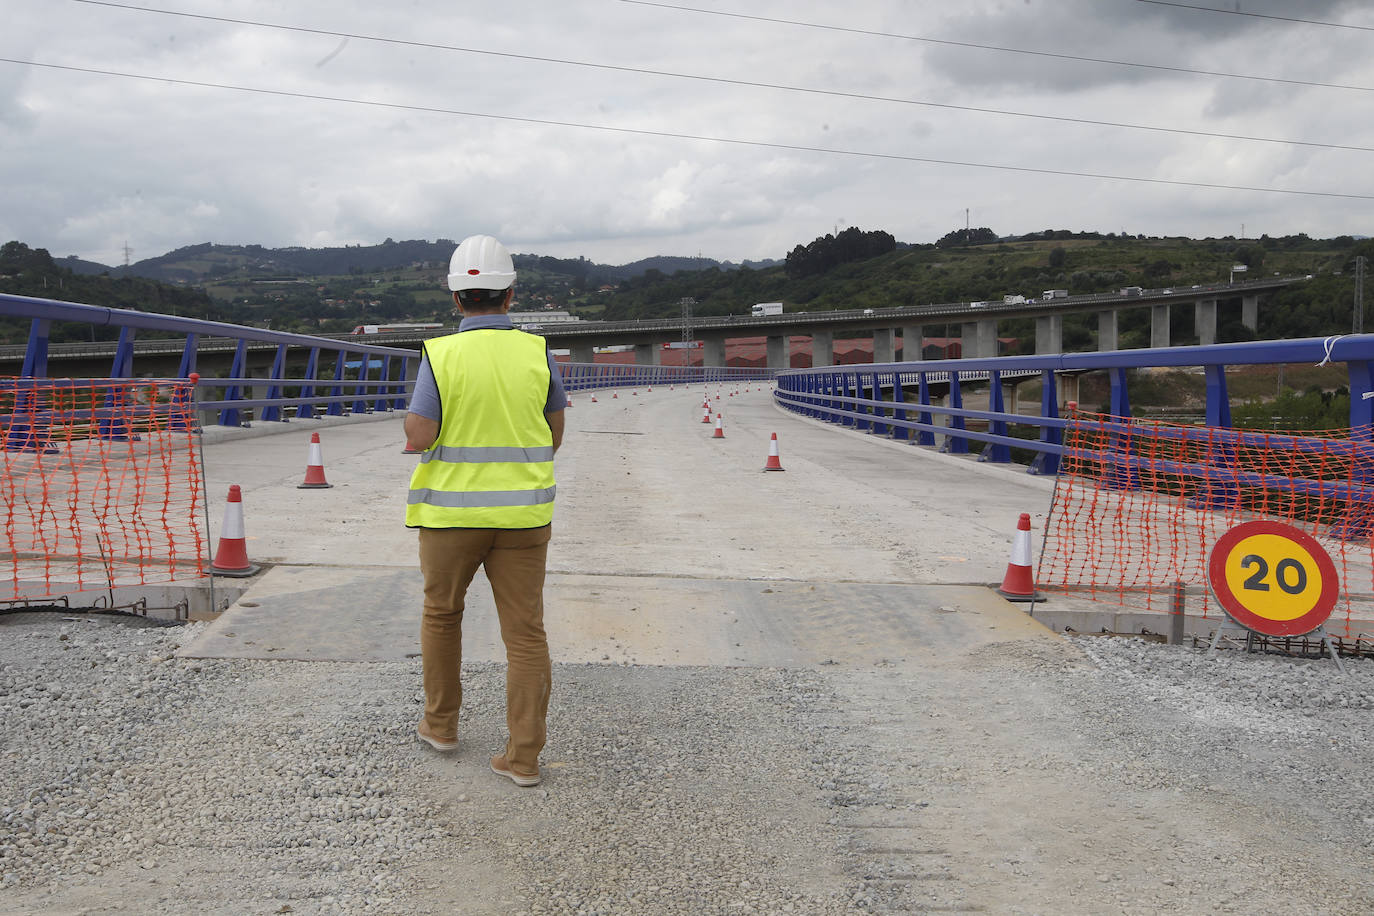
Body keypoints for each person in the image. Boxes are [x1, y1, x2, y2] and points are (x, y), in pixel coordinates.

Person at [404, 234, 567, 787]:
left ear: (456, 299)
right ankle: (523, 758)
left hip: (449, 518)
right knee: (525, 634)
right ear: (510, 295)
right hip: (523, 517)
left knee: (442, 616)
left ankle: (441, 726)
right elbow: (554, 435)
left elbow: (421, 433)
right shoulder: (537, 352)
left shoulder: (440, 354)